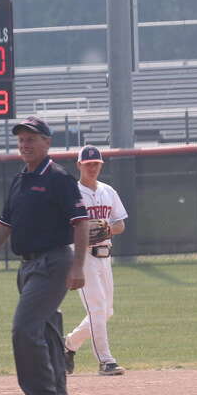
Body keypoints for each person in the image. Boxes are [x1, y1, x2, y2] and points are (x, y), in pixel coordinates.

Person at [0, 116, 91, 395]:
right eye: (21, 139)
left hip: (53, 262)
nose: (25, 143)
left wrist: (78, 265)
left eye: (32, 138)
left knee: (24, 330)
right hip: (28, 266)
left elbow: (81, 222)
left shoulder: (59, 178)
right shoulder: (20, 179)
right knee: (47, 336)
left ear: (47, 142)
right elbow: (4, 223)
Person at [63, 145, 129, 376]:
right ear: (79, 165)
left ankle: (69, 344)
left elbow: (120, 223)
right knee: (98, 308)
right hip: (81, 257)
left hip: (104, 256)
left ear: (101, 165)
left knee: (105, 311)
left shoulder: (108, 191)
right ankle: (106, 361)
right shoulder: (71, 192)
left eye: (96, 164)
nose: (92, 167)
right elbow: (61, 226)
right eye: (88, 164)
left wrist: (107, 228)